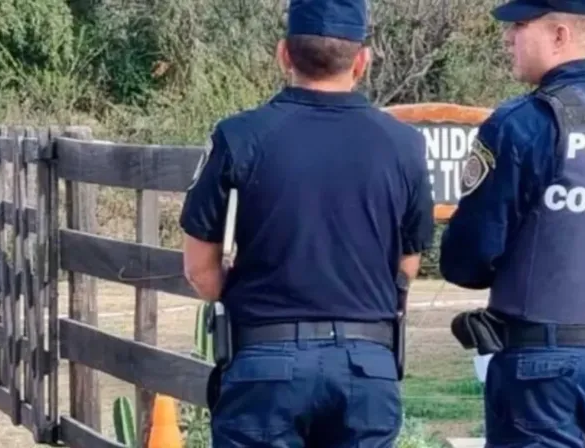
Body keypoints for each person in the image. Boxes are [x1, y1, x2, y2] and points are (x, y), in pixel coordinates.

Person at [179, 0, 435, 445]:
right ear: (362, 61)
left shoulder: (240, 136)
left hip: (265, 363)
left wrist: (258, 304)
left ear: (283, 55)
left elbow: (199, 270)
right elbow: (406, 268)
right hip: (366, 366)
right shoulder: (405, 145)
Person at [439, 0, 585, 446]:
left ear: (560, 35)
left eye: (519, 25)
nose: (509, 38)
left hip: (543, 373)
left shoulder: (524, 124)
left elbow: (466, 260)